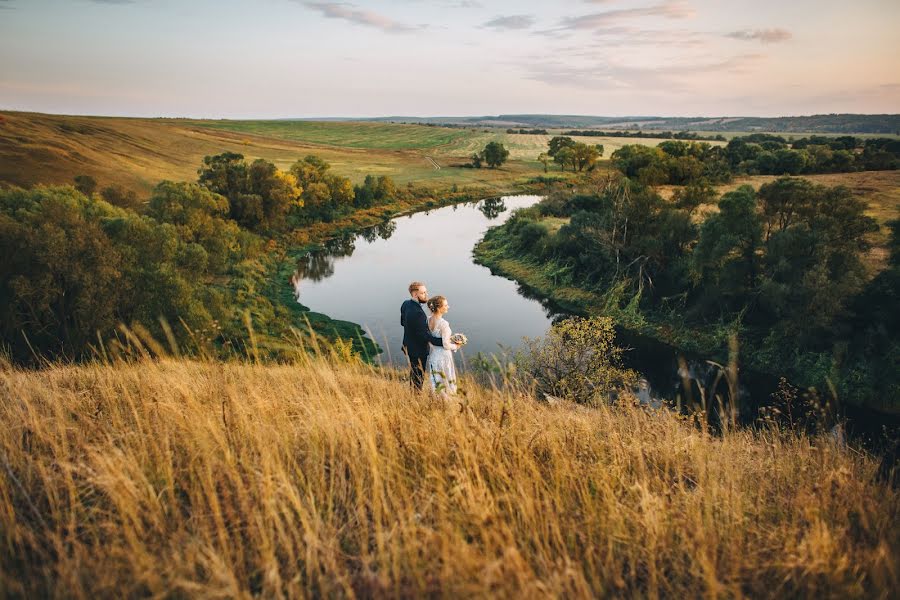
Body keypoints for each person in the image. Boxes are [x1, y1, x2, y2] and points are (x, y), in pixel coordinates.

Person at [400, 281, 443, 389]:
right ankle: (416, 399)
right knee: (419, 376)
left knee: (414, 373)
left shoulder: (405, 304)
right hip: (418, 350)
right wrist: (444, 342)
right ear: (415, 294)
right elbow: (425, 336)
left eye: (426, 292)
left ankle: (413, 394)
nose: (426, 295)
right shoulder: (418, 313)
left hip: (408, 346)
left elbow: (402, 322)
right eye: (423, 293)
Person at [425, 295, 461, 396]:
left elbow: (434, 338)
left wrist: (450, 339)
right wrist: (456, 346)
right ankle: (447, 401)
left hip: (434, 355)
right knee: (447, 379)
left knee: (436, 380)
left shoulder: (427, 319)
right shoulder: (443, 324)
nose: (448, 307)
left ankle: (436, 398)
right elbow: (445, 344)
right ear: (439, 308)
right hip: (444, 356)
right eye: (445, 305)